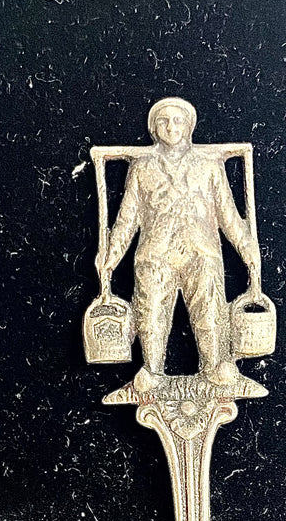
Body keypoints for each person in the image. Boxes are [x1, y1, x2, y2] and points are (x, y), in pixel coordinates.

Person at [99, 97, 260, 390]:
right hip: (155, 255)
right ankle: (151, 369)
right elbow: (127, 219)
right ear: (154, 128)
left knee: (209, 309)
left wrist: (248, 250)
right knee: (150, 312)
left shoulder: (209, 165)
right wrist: (110, 257)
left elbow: (228, 215)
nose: (171, 127)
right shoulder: (142, 168)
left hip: (201, 252)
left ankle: (214, 366)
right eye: (163, 121)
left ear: (188, 126)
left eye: (178, 120)